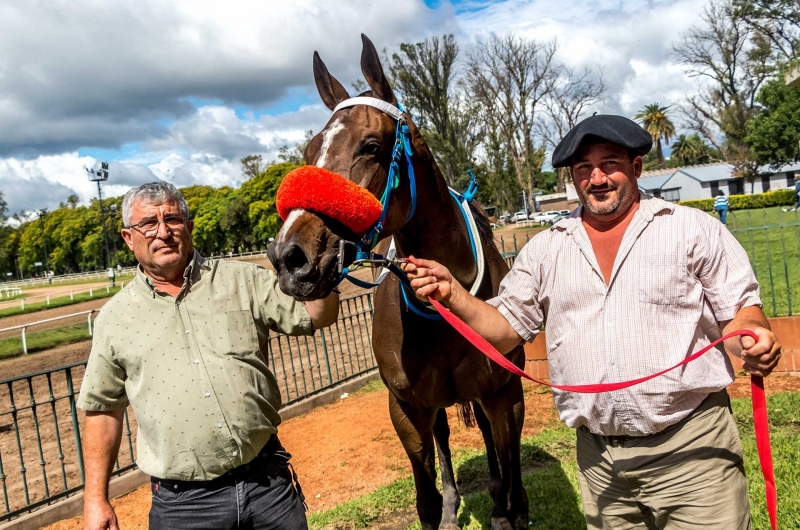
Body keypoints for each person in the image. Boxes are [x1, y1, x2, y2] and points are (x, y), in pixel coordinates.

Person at [404, 115, 782, 529]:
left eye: (610, 163)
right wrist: (452, 293)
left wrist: (749, 340)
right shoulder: (546, 249)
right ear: (573, 177)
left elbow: (739, 312)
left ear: (636, 167)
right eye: (584, 168)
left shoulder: (692, 231)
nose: (597, 177)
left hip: (691, 450)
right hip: (600, 463)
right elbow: (506, 328)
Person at [78, 182, 340, 530]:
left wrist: (321, 257)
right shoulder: (114, 318)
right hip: (184, 506)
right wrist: (95, 499)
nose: (163, 232)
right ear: (129, 238)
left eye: (172, 218)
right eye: (148, 224)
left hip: (268, 485)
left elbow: (315, 315)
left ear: (189, 226)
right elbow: (103, 411)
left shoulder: (242, 280)